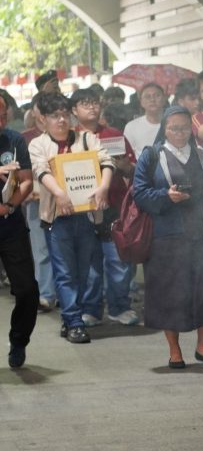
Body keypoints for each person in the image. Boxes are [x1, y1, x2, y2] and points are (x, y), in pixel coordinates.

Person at [133, 106, 203, 369]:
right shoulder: (152, 156)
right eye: (174, 128)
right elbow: (139, 193)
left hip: (201, 235)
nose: (179, 133)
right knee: (169, 295)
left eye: (185, 127)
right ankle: (174, 350)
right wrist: (165, 196)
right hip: (166, 238)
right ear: (164, 129)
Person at [29, 93, 113, 344]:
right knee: (65, 273)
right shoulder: (38, 144)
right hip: (57, 218)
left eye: (65, 114)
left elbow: (106, 162)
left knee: (84, 272)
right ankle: (75, 322)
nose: (62, 120)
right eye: (55, 116)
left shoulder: (87, 138)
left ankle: (70, 317)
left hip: (86, 216)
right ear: (43, 118)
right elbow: (41, 170)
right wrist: (59, 194)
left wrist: (104, 188)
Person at [71, 89, 139, 327]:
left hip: (115, 207)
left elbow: (132, 170)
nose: (91, 107)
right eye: (84, 104)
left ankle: (119, 306)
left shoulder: (113, 135)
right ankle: (91, 308)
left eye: (94, 103)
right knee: (90, 264)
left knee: (118, 260)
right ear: (74, 111)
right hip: (82, 209)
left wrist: (124, 165)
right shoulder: (70, 138)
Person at [0, 93, 38, 368]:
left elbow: (26, 180)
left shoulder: (14, 140)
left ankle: (19, 340)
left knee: (26, 289)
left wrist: (10, 206)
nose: (1, 119)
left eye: (3, 113)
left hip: (10, 224)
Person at [21, 99, 55, 312]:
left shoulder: (66, 135)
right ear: (33, 113)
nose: (42, 114)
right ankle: (45, 294)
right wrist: (20, 192)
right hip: (34, 201)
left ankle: (62, 292)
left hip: (62, 201)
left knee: (62, 250)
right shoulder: (23, 138)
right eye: (39, 111)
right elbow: (16, 170)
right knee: (41, 250)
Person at [123, 83, 167, 153]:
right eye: (147, 96)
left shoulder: (175, 125)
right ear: (141, 102)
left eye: (157, 95)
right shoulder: (131, 127)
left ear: (164, 99)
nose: (152, 99)